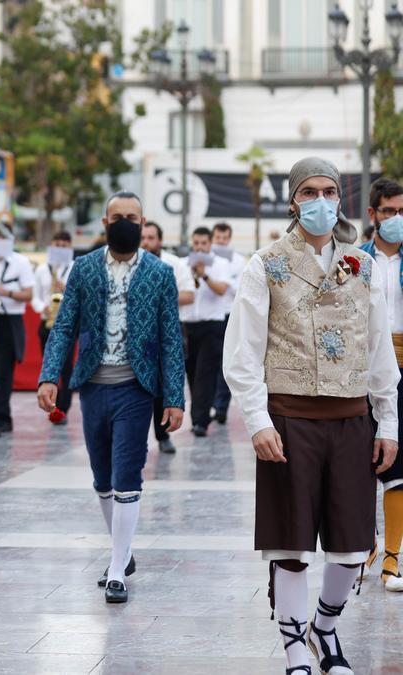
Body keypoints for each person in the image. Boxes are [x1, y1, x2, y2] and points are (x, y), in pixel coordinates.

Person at [224, 157, 399, 675]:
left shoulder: (361, 265)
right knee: (292, 543)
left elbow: (378, 352)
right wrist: (257, 420)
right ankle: (296, 646)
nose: (320, 201)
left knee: (351, 546)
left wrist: (387, 421)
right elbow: (243, 351)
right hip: (289, 419)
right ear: (293, 201)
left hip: (351, 420)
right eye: (309, 192)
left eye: (328, 191)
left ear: (340, 198)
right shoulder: (267, 263)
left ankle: (325, 626)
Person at [38, 191, 185, 604]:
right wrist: (51, 376)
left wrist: (175, 397)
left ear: (143, 223)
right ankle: (124, 551)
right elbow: (63, 325)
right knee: (102, 479)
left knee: (127, 475)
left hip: (136, 389)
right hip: (92, 385)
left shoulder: (160, 273)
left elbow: (172, 337)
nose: (125, 222)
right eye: (117, 216)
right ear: (105, 222)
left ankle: (117, 568)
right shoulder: (83, 269)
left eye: (132, 217)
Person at [358, 177, 403, 592]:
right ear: (373, 215)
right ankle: (361, 549)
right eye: (389, 211)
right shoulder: (355, 261)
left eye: (402, 211)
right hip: (361, 370)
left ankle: (391, 558)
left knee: (398, 468)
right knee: (358, 464)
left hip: (402, 369)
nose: (396, 219)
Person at [140, 222, 195, 453]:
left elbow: (189, 295)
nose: (146, 242)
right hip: (140, 333)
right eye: (143, 237)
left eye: (151, 237)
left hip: (168, 331)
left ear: (159, 240)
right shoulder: (132, 264)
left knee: (164, 386)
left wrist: (158, 298)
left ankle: (163, 436)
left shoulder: (173, 264)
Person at [181, 227, 233, 437]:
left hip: (212, 326)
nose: (200, 247)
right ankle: (200, 412)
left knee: (205, 373)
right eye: (196, 243)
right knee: (192, 374)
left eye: (204, 243)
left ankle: (200, 421)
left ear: (210, 244)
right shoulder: (184, 264)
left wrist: (204, 275)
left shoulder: (221, 264)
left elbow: (221, 290)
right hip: (189, 325)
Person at [0, 235, 35, 435]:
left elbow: (29, 294)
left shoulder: (20, 262)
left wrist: (6, 293)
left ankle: (1, 417)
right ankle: (1, 413)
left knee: (4, 371)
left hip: (10, 320)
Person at [32, 231, 76, 422]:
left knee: (66, 368)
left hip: (67, 324)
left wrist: (65, 290)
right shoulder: (42, 269)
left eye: (64, 245)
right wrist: (43, 308)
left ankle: (63, 407)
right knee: (49, 365)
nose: (61, 247)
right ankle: (51, 402)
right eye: (57, 244)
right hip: (47, 321)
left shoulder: (75, 268)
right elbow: (34, 296)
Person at [210, 222, 246, 426]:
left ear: (229, 239)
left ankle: (221, 406)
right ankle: (208, 405)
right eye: (218, 238)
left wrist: (223, 283)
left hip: (229, 316)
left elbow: (237, 288)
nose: (221, 242)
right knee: (209, 363)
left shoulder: (239, 261)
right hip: (211, 316)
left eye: (224, 238)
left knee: (226, 363)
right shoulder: (206, 261)